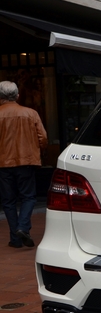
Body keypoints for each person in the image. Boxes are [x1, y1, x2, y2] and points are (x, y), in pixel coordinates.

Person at [0, 81, 48, 248]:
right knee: (28, 197)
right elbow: (43, 138)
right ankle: (22, 227)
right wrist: (41, 152)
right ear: (17, 95)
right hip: (26, 161)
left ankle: (15, 238)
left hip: (3, 163)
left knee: (8, 201)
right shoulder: (30, 113)